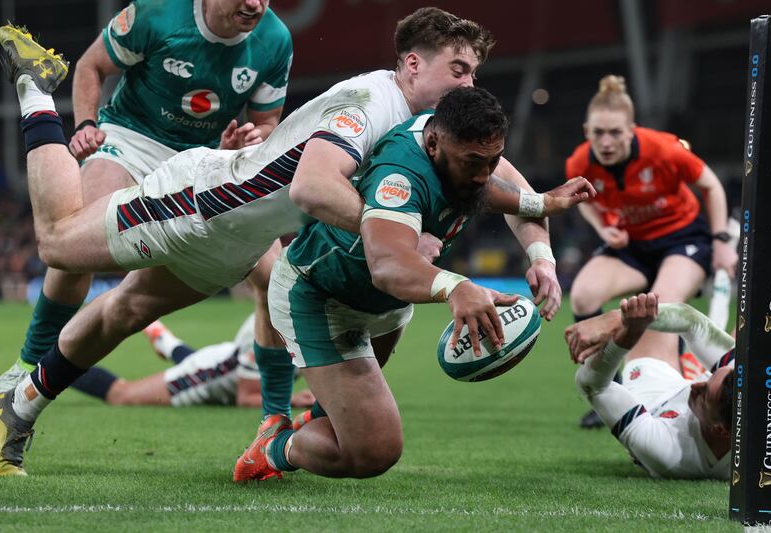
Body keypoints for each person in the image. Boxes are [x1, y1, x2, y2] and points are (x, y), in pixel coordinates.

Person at [0, 12, 591, 477]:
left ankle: (22, 406)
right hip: (204, 204)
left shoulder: (434, 130)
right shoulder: (370, 102)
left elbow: (514, 189)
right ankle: (37, 91)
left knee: (128, 310)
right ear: (411, 65)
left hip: (239, 239)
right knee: (58, 243)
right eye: (458, 70)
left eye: (474, 74)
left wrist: (542, 258)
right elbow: (313, 186)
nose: (468, 83)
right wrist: (392, 231)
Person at [233, 86, 596, 483]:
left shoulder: (458, 146)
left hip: (383, 301)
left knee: (341, 415)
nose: (482, 174)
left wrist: (540, 207)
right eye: (474, 162)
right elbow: (388, 265)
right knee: (373, 451)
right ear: (434, 143)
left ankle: (312, 420)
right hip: (321, 293)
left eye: (492, 161)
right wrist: (457, 286)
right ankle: (273, 447)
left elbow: (491, 189)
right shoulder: (400, 176)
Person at [0, 0, 293, 411]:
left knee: (278, 281)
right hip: (132, 140)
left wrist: (253, 138)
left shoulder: (275, 39)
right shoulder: (158, 12)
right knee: (72, 244)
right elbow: (92, 66)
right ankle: (28, 365)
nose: (255, 4)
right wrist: (88, 124)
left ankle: (274, 420)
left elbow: (268, 123)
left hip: (208, 160)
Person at [566, 75, 738, 428]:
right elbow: (582, 201)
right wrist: (603, 228)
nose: (607, 141)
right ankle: (609, 392)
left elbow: (712, 186)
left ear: (632, 129)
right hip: (634, 246)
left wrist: (721, 241)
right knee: (583, 295)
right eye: (598, 132)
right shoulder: (580, 162)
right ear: (587, 131)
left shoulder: (663, 149)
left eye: (615, 132)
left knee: (660, 306)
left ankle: (670, 398)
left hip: (683, 240)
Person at [566, 293, 735, 479]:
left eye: (704, 394)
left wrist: (627, 334)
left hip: (654, 394)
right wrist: (616, 318)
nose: (696, 387)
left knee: (662, 292)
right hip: (708, 405)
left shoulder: (668, 453)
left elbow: (593, 387)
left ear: (720, 429)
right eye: (708, 379)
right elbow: (691, 321)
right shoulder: (751, 393)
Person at [70, 315, 314, 409]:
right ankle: (48, 367)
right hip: (207, 376)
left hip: (225, 361)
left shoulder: (314, 317)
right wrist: (294, 399)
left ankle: (163, 340)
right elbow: (245, 396)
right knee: (122, 395)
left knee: (200, 361)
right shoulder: (270, 324)